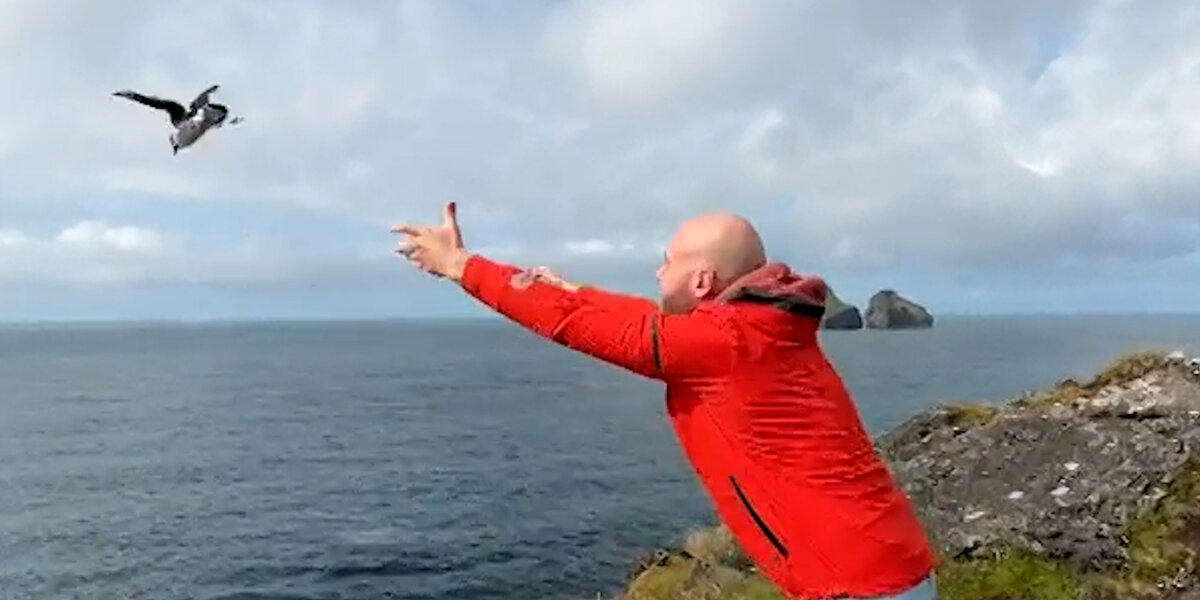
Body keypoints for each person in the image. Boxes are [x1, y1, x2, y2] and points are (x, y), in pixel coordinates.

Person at [391, 202, 940, 600]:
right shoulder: (758, 330)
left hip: (855, 585)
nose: (657, 272)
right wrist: (576, 291)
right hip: (882, 566)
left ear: (702, 280)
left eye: (667, 261)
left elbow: (584, 327)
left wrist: (462, 266)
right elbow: (638, 319)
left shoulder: (724, 345)